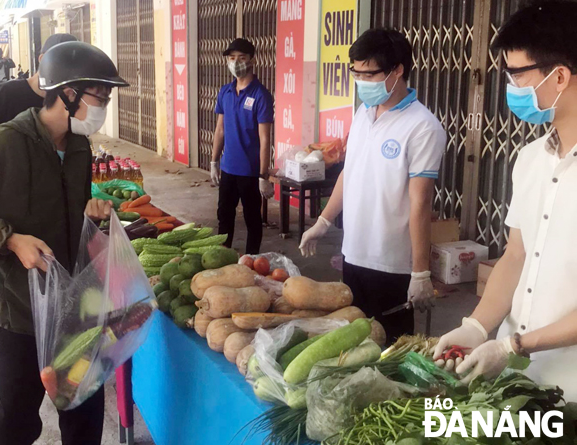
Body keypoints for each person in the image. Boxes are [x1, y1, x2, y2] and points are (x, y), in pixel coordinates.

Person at [0, 41, 128, 444]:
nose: (104, 105)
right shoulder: (6, 143)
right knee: (19, 417)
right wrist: (10, 241)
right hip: (19, 309)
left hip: (74, 305)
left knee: (83, 407)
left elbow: (64, 208)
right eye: (101, 95)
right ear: (68, 93)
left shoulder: (79, 146)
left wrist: (88, 216)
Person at [433, 1, 577, 402]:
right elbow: (516, 256)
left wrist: (514, 346)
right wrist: (477, 328)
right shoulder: (530, 159)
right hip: (512, 384)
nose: (509, 87)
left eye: (516, 74)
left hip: (571, 387)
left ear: (560, 76)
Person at [298, 29, 446, 345]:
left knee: (389, 350)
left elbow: (420, 202)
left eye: (369, 73)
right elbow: (348, 174)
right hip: (353, 255)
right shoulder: (363, 114)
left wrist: (420, 272)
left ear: (397, 70)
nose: (361, 81)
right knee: (352, 346)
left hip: (391, 264)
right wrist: (323, 222)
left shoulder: (423, 127)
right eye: (356, 72)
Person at [0, 33, 78, 390]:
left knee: (76, 395)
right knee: (11, 318)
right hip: (10, 224)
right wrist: (1, 182)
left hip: (52, 253)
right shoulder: (10, 96)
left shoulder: (78, 137)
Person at [211, 38, 274, 255]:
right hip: (228, 168)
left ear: (252, 61)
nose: (236, 63)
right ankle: (222, 256)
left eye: (241, 58)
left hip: (250, 172)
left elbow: (265, 139)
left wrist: (263, 176)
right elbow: (220, 129)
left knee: (252, 219)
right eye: (231, 58)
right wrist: (213, 161)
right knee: (224, 216)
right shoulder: (225, 92)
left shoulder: (261, 95)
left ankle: (252, 261)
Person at [0, 33, 77, 156]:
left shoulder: (71, 97)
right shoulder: (8, 92)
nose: (68, 69)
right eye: (61, 61)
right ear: (42, 59)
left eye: (73, 64)